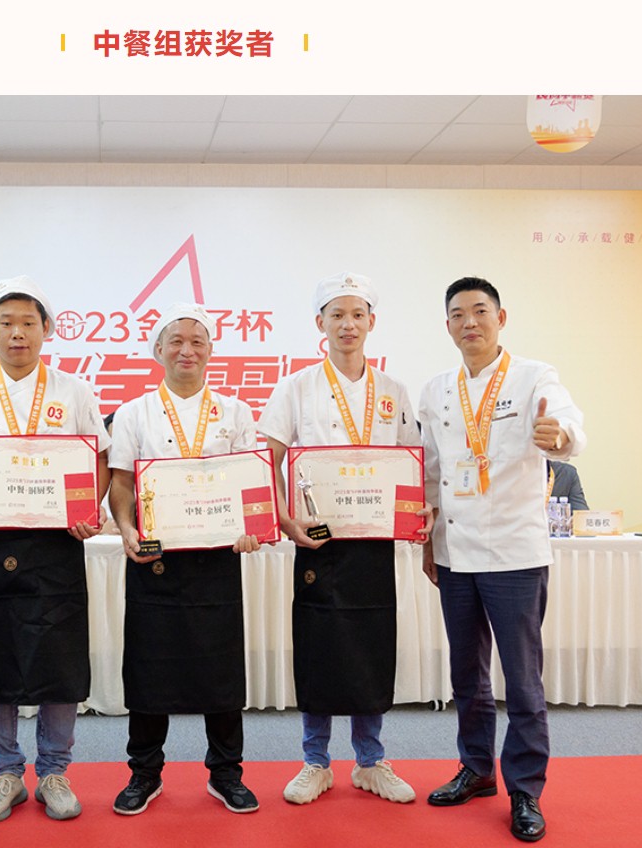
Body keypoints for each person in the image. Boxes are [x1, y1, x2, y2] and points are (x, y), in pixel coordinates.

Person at [0, 276, 110, 824]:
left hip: (56, 545)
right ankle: (5, 773)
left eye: (28, 323)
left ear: (46, 330)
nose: (17, 333)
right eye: (6, 323)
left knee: (59, 661)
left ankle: (54, 771)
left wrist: (88, 508)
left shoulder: (74, 391)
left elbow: (98, 459)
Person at [417, 276, 586, 843]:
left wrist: (559, 436)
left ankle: (526, 789)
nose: (469, 322)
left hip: (515, 552)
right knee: (467, 674)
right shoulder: (437, 390)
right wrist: (427, 541)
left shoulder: (535, 376)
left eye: (480, 311)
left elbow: (570, 429)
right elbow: (431, 472)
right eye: (458, 314)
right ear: (447, 325)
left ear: (500, 317)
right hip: (454, 553)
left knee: (522, 679)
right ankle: (476, 768)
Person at [257, 272, 430, 807]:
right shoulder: (296, 387)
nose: (348, 324)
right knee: (318, 650)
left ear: (371, 322)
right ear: (321, 323)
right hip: (318, 542)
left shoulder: (393, 391)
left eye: (357, 314)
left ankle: (371, 762)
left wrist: (415, 516)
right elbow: (267, 459)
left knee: (371, 648)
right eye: (337, 315)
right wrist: (285, 519)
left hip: (374, 544)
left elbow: (411, 464)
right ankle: (315, 762)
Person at [108, 303, 262, 816]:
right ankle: (144, 773)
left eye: (197, 341)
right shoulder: (133, 413)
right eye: (176, 340)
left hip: (216, 559)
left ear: (211, 351)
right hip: (155, 560)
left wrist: (253, 529)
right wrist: (126, 527)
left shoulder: (236, 413)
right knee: (149, 669)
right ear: (158, 350)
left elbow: (251, 483)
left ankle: (226, 773)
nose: (186, 350)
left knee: (222, 670)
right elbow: (122, 483)